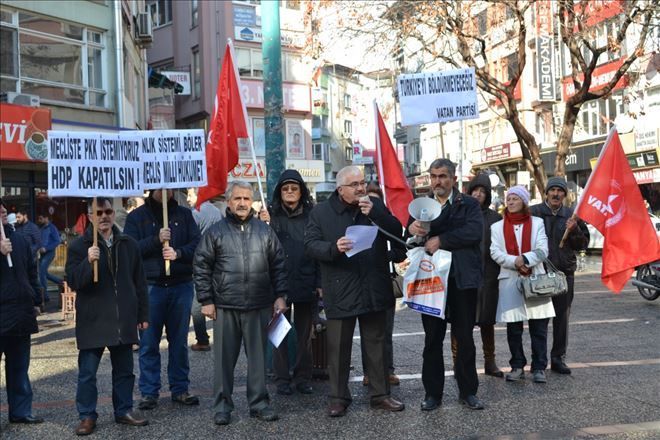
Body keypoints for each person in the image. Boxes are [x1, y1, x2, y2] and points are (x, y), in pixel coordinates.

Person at [305, 165, 405, 418]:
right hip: (340, 288)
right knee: (338, 347)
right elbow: (311, 245)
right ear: (340, 190)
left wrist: (378, 215)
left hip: (373, 286)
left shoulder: (374, 206)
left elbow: (396, 232)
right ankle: (338, 398)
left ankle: (380, 395)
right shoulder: (321, 212)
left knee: (376, 344)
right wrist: (333, 248)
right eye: (355, 185)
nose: (361, 188)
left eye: (362, 183)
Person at [194, 181, 288, 425]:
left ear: (253, 202)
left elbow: (278, 264)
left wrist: (280, 295)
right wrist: (206, 300)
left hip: (258, 304)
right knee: (224, 361)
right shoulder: (215, 232)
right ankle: (222, 406)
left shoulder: (265, 231)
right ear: (228, 201)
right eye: (238, 198)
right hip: (225, 306)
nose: (243, 203)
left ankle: (259, 403)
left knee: (258, 360)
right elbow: (201, 266)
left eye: (247, 198)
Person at [66, 198, 150, 435]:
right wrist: (87, 261)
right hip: (93, 319)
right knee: (87, 374)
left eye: (108, 212)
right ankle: (87, 416)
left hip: (122, 318)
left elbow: (139, 282)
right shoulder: (78, 246)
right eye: (98, 212)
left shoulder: (128, 243)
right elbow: (73, 281)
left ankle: (123, 410)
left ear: (114, 214)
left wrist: (143, 313)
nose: (104, 216)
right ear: (90, 216)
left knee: (124, 371)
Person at [407, 159, 484, 411]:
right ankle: (432, 394)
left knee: (464, 338)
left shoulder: (469, 204)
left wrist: (442, 239)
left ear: (452, 178)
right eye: (433, 176)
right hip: (432, 282)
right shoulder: (421, 206)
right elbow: (409, 238)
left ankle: (468, 391)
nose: (437, 181)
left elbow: (473, 232)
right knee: (432, 340)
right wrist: (412, 228)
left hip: (462, 281)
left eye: (442, 176)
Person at [124, 189, 201, 410]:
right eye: (160, 187)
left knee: (179, 343)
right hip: (150, 287)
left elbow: (197, 245)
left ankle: (180, 389)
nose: (165, 191)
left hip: (180, 286)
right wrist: (155, 240)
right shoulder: (136, 217)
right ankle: (149, 392)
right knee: (148, 342)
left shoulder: (185, 215)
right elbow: (130, 251)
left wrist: (178, 253)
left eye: (169, 187)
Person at [259, 169, 319, 396]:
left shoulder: (312, 214)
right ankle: (281, 378)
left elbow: (318, 247)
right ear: (279, 192)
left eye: (294, 188)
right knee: (278, 334)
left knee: (304, 335)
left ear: (301, 190)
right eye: (285, 189)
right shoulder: (270, 215)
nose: (290, 192)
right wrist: (264, 222)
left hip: (305, 281)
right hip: (278, 285)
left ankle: (303, 377)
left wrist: (319, 282)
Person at [490, 186, 553, 383]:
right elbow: (495, 252)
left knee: (539, 326)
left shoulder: (537, 223)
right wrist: (513, 261)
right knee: (514, 327)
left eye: (515, 198)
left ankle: (539, 366)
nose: (510, 202)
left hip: (535, 279)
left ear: (524, 202)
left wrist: (525, 258)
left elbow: (543, 250)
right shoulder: (497, 227)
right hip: (510, 280)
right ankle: (517, 365)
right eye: (508, 199)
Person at [530, 177, 589, 375]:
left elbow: (582, 244)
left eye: (560, 190)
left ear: (565, 194)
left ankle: (558, 358)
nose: (556, 194)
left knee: (562, 318)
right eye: (552, 190)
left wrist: (575, 230)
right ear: (546, 193)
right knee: (539, 319)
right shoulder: (534, 213)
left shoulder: (572, 215)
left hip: (564, 274)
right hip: (540, 273)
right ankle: (538, 361)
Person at [452, 173, 503, 377]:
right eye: (475, 191)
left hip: (489, 275)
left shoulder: (495, 218)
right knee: (460, 321)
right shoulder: (459, 213)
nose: (478, 195)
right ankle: (458, 362)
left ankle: (489, 361)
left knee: (487, 320)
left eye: (483, 192)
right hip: (464, 274)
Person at [0, 198, 44, 425]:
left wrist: (36, 299)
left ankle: (20, 410)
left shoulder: (18, 239)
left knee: (19, 366)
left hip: (21, 312)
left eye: (3, 208)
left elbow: (31, 271)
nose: (3, 211)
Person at [361, 181, 403, 387]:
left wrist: (386, 255)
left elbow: (401, 249)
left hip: (385, 282)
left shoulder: (388, 222)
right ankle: (369, 372)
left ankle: (388, 370)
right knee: (368, 331)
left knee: (386, 331)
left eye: (376, 202)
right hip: (362, 283)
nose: (372, 206)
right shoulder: (359, 221)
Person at [187, 188, 223, 352]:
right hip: (217, 261)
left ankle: (202, 339)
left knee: (197, 305)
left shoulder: (196, 213)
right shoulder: (216, 211)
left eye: (190, 194)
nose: (188, 198)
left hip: (200, 262)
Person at [37, 212, 62, 302]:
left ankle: (45, 296)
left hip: (49, 253)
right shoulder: (41, 228)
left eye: (41, 218)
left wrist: (46, 248)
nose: (39, 220)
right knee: (43, 273)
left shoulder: (52, 228)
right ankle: (61, 282)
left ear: (46, 218)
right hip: (41, 254)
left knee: (41, 273)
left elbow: (57, 241)